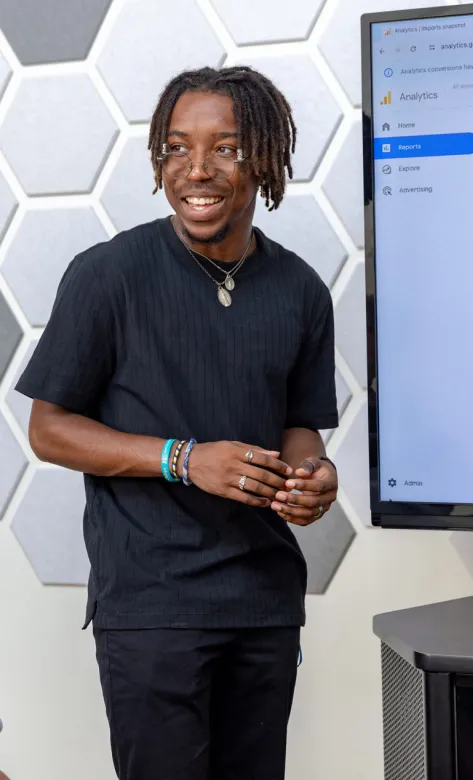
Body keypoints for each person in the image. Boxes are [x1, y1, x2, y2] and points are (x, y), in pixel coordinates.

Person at [15, 65, 339, 780]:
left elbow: (301, 426)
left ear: (263, 159)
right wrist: (183, 459)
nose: (196, 169)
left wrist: (313, 475)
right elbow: (48, 427)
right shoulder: (108, 275)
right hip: (153, 605)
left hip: (263, 602)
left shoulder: (302, 291)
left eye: (224, 147)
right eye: (175, 147)